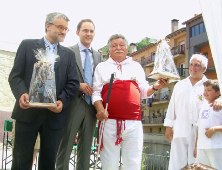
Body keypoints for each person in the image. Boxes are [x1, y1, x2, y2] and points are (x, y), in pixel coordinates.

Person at [8, 12, 80, 170]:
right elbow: (15, 76)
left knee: (49, 162)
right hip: (26, 113)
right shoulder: (27, 45)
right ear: (48, 26)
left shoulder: (68, 55)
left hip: (54, 116)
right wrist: (22, 94)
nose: (63, 31)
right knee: (20, 160)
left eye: (66, 29)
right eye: (60, 27)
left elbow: (73, 83)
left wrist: (61, 101)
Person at [92, 34, 167, 170]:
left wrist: (155, 86)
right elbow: (96, 92)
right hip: (109, 121)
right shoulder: (101, 67)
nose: (118, 48)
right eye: (114, 45)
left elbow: (144, 91)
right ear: (109, 49)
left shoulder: (136, 66)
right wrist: (100, 109)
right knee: (109, 164)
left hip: (134, 122)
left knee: (133, 163)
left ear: (127, 49)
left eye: (121, 45)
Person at [56, 19, 101, 170]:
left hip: (91, 107)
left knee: (86, 148)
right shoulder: (67, 52)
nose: (88, 34)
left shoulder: (98, 56)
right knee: (66, 145)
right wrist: (78, 86)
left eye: (91, 31)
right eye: (85, 30)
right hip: (73, 103)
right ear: (77, 32)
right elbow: (59, 78)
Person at [164, 54, 222, 170]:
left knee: (196, 164)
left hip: (199, 133)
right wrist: (168, 126)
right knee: (176, 164)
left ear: (204, 69)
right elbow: (172, 106)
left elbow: (218, 96)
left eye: (197, 65)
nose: (193, 68)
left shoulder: (210, 85)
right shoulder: (179, 85)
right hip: (180, 128)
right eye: (191, 64)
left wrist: (220, 99)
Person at [194, 79, 222, 169]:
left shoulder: (220, 105)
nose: (205, 92)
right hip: (202, 147)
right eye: (205, 90)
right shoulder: (203, 105)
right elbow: (200, 127)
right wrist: (196, 146)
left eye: (209, 90)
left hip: (216, 147)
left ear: (218, 93)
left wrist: (214, 129)